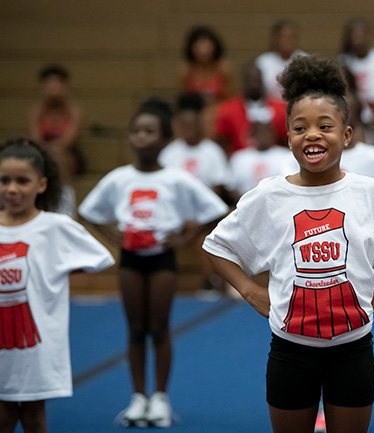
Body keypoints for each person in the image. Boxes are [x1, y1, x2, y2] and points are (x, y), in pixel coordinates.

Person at [202, 55, 374, 433]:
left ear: (347, 135)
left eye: (326, 126)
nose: (313, 135)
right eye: (300, 127)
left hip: (352, 348)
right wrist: (250, 290)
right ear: (287, 137)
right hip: (290, 349)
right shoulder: (269, 196)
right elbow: (217, 247)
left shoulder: (372, 194)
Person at [78, 99, 229, 427]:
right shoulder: (119, 178)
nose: (140, 137)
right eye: (135, 132)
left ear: (164, 140)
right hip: (131, 260)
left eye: (149, 132)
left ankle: (160, 397)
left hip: (162, 260)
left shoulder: (176, 179)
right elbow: (89, 211)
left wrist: (186, 238)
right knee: (135, 329)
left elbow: (216, 209)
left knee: (159, 328)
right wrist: (113, 236)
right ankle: (137, 398)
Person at [0, 138, 114, 433]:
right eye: (4, 180)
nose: (12, 189)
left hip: (35, 338)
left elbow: (100, 258)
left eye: (22, 181)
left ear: (41, 185)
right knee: (3, 414)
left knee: (34, 415)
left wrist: (53, 272)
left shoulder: (54, 227)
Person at [159, 92, 237, 294]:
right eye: (185, 125)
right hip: (176, 214)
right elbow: (164, 191)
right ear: (178, 126)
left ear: (200, 124)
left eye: (193, 124)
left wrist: (198, 215)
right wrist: (181, 215)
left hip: (203, 214)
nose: (189, 129)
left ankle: (211, 281)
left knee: (208, 228)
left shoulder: (212, 151)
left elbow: (216, 191)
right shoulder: (169, 153)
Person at [28, 64, 84, 216]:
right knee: (49, 156)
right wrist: (49, 150)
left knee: (59, 156)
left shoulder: (74, 111)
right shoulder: (36, 112)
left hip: (69, 155)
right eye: (49, 85)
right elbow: (36, 139)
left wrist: (54, 149)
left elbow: (70, 139)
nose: (53, 89)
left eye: (57, 84)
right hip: (44, 152)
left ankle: (66, 200)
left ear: (64, 86)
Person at [213, 63, 288, 155]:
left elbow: (287, 142)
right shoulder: (228, 110)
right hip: (240, 161)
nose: (254, 85)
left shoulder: (280, 110)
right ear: (244, 82)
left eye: (257, 80)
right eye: (251, 80)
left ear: (262, 81)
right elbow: (222, 143)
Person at [229, 116, 292, 194]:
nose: (264, 136)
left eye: (267, 132)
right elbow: (232, 187)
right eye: (260, 132)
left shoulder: (286, 155)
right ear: (252, 135)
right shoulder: (239, 157)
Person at [179, 25, 232, 105]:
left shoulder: (224, 69)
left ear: (214, 47)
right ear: (192, 49)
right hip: (195, 112)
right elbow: (184, 100)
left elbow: (229, 98)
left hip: (219, 110)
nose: (203, 52)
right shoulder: (186, 70)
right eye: (199, 47)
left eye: (207, 47)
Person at [256, 19, 307, 100]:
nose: (288, 41)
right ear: (276, 38)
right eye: (284, 37)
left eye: (291, 37)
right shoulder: (263, 62)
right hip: (272, 107)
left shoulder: (305, 60)